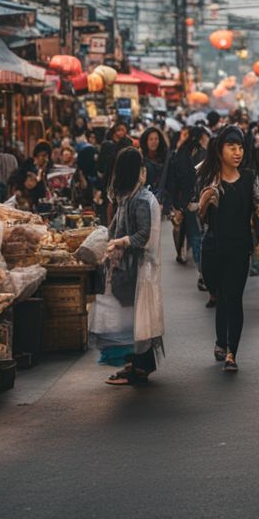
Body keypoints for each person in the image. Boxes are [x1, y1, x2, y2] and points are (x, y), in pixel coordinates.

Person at [92, 147, 165, 386]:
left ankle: (137, 368)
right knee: (133, 319)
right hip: (128, 268)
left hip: (136, 268)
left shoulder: (141, 199)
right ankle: (137, 365)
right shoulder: (129, 197)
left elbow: (143, 235)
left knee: (134, 319)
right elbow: (116, 227)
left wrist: (123, 242)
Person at [197, 126, 259, 371]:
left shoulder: (248, 178)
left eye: (240, 147)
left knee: (234, 298)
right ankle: (220, 340)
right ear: (220, 150)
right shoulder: (209, 180)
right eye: (232, 147)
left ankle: (231, 353)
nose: (237, 152)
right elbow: (200, 221)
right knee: (220, 294)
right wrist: (203, 203)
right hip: (213, 248)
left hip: (240, 247)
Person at [164, 126, 208, 287]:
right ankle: (203, 272)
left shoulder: (182, 154)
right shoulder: (198, 155)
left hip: (189, 204)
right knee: (199, 237)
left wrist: (179, 205)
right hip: (195, 203)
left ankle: (202, 272)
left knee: (196, 237)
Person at [139, 126, 169, 196]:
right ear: (146, 141)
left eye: (156, 139)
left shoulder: (165, 157)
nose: (154, 142)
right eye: (151, 139)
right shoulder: (141, 158)